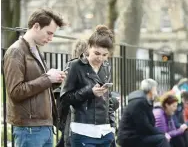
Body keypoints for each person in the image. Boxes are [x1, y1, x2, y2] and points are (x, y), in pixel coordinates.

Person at [3, 8, 66, 147]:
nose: (51, 38)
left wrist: (54, 80)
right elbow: (15, 91)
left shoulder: (36, 51)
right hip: (29, 129)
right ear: (36, 26)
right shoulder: (16, 52)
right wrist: (47, 78)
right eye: (49, 33)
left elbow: (37, 85)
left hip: (44, 126)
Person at [60, 25, 116, 147]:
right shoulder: (75, 66)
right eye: (97, 53)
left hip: (105, 132)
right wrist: (89, 91)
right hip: (82, 131)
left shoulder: (106, 67)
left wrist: (112, 126)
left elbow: (108, 100)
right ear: (89, 47)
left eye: (105, 55)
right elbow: (64, 98)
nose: (100, 58)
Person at [117, 78, 171, 147]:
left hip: (136, 135)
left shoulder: (145, 101)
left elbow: (151, 123)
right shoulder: (139, 102)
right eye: (155, 89)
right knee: (161, 139)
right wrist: (163, 133)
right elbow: (144, 126)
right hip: (129, 138)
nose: (156, 92)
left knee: (161, 138)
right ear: (151, 90)